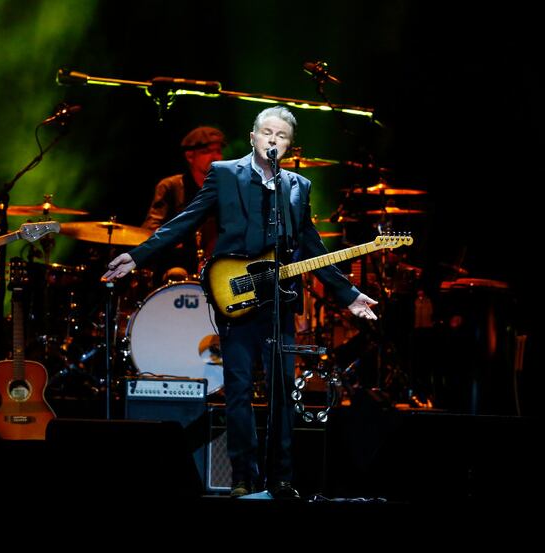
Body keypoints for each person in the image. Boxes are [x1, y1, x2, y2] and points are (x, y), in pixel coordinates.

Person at [104, 107, 378, 499]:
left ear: (289, 145)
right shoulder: (225, 173)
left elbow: (310, 244)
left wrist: (348, 295)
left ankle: (281, 479)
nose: (272, 140)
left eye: (280, 135)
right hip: (235, 293)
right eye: (266, 132)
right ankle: (242, 478)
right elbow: (186, 219)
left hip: (279, 299)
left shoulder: (298, 185)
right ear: (252, 137)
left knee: (283, 391)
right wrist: (138, 255)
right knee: (238, 389)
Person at [142, 126, 225, 281]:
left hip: (215, 271)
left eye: (218, 151)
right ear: (190, 156)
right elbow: (149, 229)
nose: (215, 157)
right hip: (174, 271)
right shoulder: (170, 187)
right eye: (207, 152)